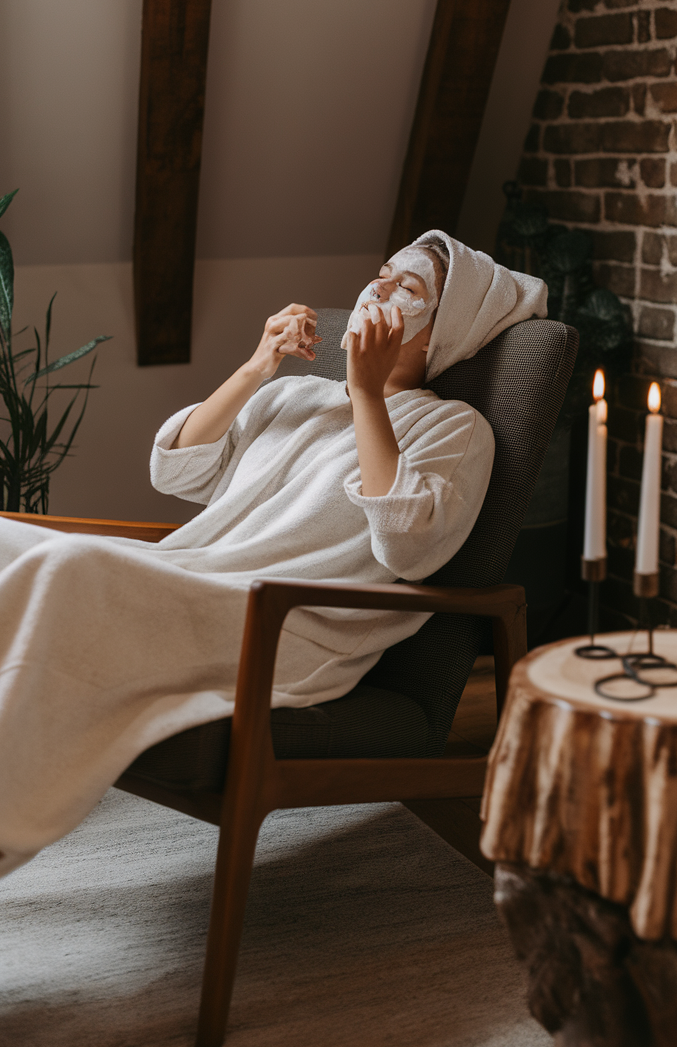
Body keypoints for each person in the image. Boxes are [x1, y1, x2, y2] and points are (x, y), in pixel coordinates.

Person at [0, 231, 546, 874]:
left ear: (439, 334)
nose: (379, 290)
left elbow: (408, 546)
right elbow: (177, 470)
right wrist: (259, 365)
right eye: (382, 274)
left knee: (70, 567)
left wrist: (369, 394)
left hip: (285, 627)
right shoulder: (296, 396)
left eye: (411, 289)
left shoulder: (454, 428)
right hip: (197, 578)